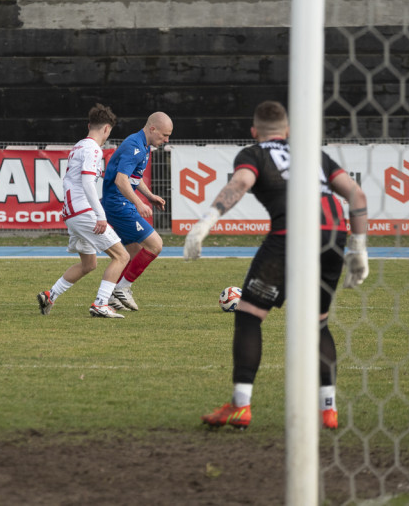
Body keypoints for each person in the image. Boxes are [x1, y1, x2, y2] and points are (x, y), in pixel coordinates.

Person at [184, 101, 369, 430]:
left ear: (254, 133)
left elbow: (239, 184)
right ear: (289, 132)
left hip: (290, 238)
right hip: (332, 237)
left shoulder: (254, 154)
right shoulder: (314, 155)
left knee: (249, 315)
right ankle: (328, 409)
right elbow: (357, 195)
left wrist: (205, 223)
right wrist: (358, 248)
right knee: (318, 324)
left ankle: (240, 406)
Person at [38, 104, 131, 318]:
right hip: (83, 212)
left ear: (90, 125)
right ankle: (100, 304)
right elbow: (88, 183)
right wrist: (100, 216)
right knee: (121, 256)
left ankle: (50, 295)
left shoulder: (79, 146)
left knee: (89, 264)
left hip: (72, 213)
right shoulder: (92, 149)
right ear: (107, 129)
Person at [100, 111, 173, 311]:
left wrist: (149, 196)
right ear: (152, 129)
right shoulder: (134, 146)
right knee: (155, 245)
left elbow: (134, 177)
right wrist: (140, 204)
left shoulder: (143, 145)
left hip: (120, 203)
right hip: (118, 204)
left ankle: (111, 296)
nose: (166, 140)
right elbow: (121, 180)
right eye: (164, 135)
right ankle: (122, 288)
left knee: (135, 254)